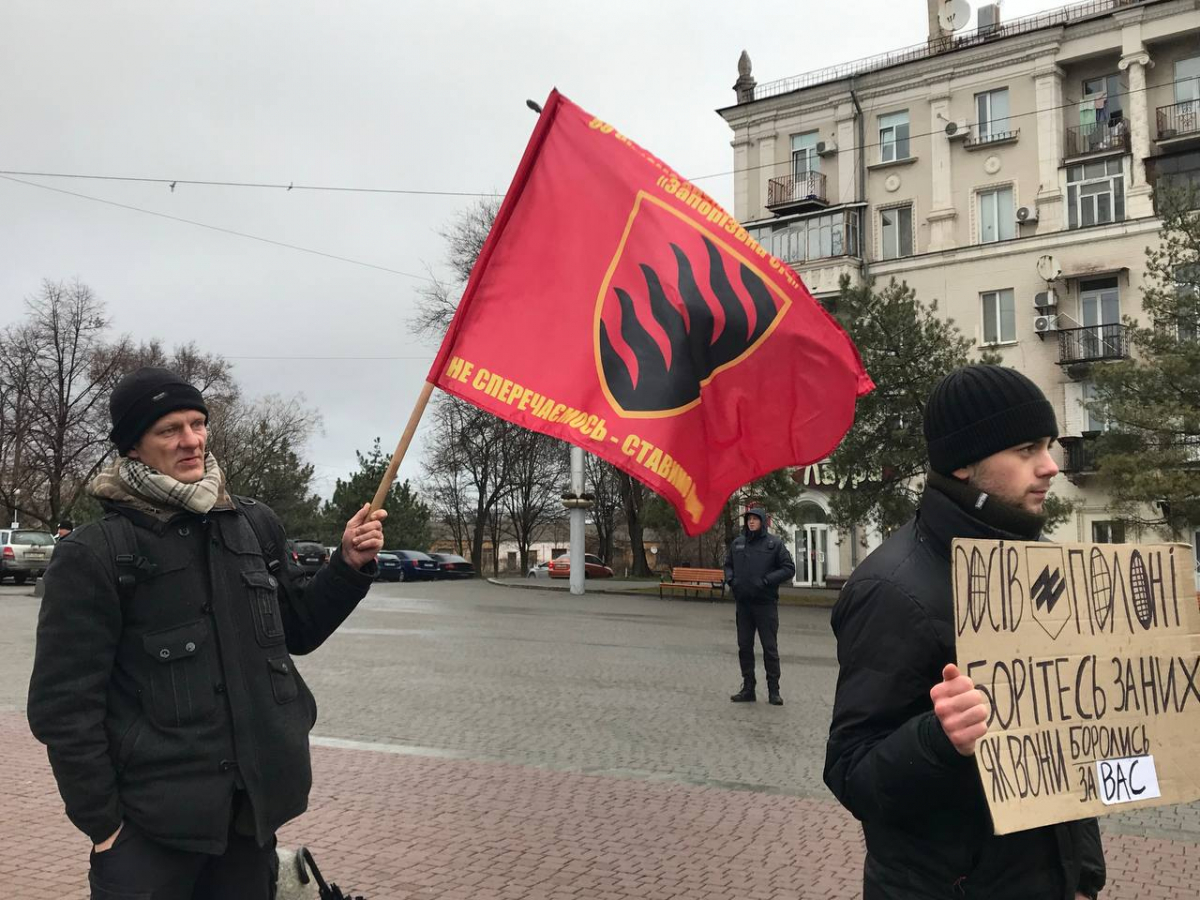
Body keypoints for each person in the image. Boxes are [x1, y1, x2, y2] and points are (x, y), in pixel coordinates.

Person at [28, 367, 386, 900]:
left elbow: (299, 629)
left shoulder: (252, 524)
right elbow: (63, 707)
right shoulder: (96, 553)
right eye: (170, 429)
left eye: (198, 424)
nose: (191, 440)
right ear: (133, 447)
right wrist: (104, 829)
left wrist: (348, 566)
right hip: (149, 833)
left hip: (248, 821)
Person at [824, 365, 1105, 899]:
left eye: (1046, 446)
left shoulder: (1040, 569)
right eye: (1026, 450)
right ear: (962, 464)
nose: (1049, 467)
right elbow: (850, 770)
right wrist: (938, 738)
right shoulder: (891, 589)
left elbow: (1068, 743)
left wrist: (1084, 875)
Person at [723, 507, 795, 706]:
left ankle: (774, 691)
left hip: (765, 605)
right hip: (744, 604)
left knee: (769, 648)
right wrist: (731, 580)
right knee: (744, 647)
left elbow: (789, 568)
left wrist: (766, 580)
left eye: (755, 519)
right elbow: (728, 564)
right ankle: (748, 688)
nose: (751, 522)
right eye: (749, 519)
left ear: (763, 522)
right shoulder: (738, 543)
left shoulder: (774, 544)